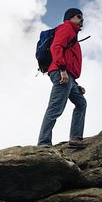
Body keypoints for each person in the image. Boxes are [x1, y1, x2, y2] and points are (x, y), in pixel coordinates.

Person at [38, 8, 87, 147]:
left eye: (82, 18)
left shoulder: (73, 35)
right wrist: (62, 70)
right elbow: (56, 47)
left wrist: (76, 84)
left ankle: (75, 139)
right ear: (70, 18)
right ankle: (43, 143)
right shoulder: (66, 28)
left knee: (81, 103)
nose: (82, 20)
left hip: (68, 76)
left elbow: (69, 59)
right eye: (79, 17)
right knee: (55, 108)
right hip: (61, 72)